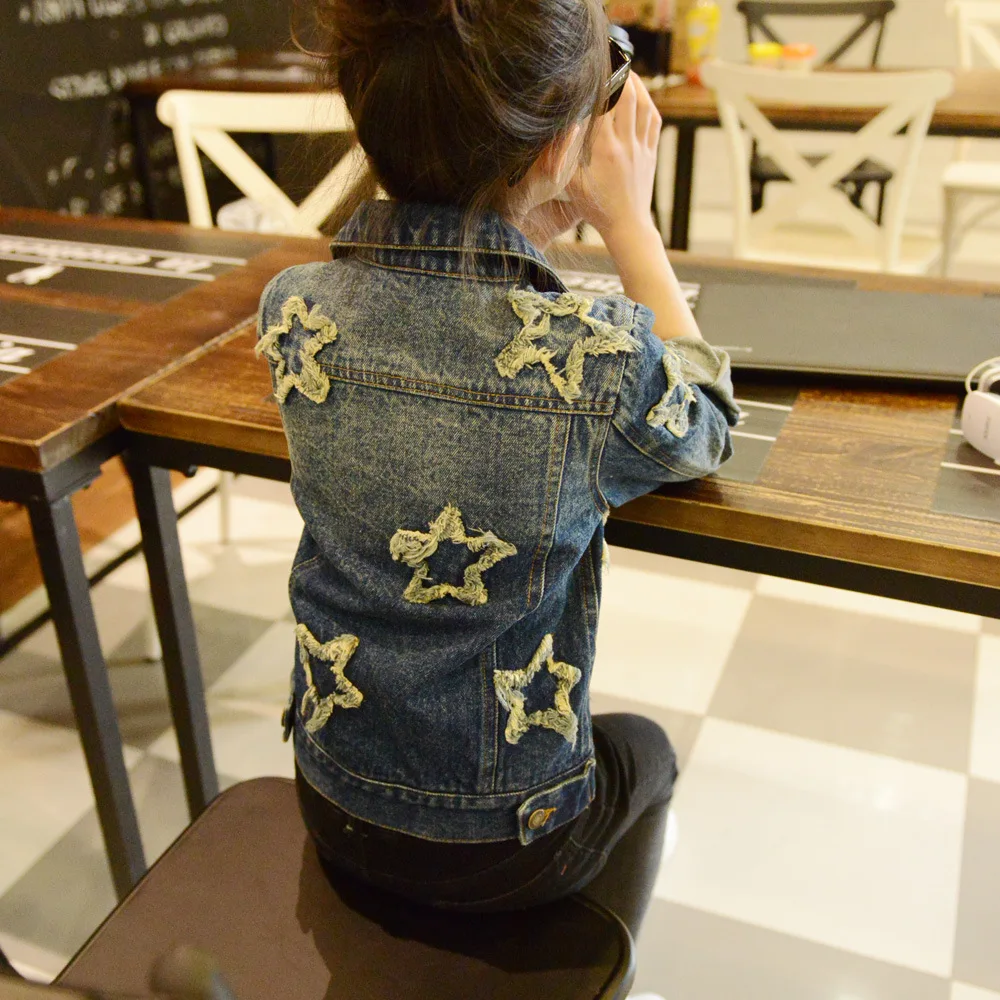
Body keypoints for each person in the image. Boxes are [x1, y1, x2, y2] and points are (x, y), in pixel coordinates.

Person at [259, 0, 739, 947]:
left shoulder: (296, 310)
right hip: (503, 844)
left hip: (334, 797)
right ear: (561, 145)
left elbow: (437, 321)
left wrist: (522, 215)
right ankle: (573, 960)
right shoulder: (595, 360)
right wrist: (629, 224)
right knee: (647, 750)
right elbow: (706, 427)